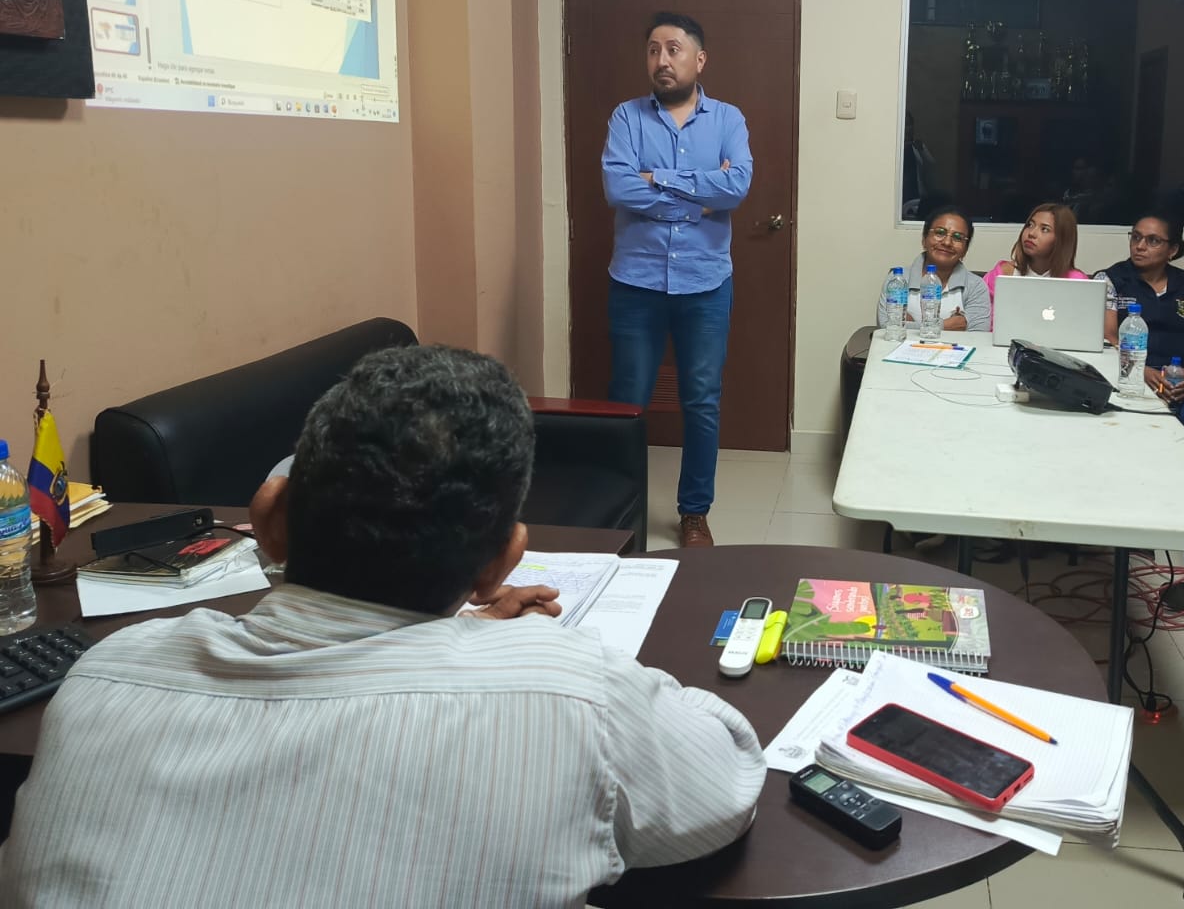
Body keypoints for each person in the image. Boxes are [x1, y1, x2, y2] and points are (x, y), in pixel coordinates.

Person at [0, 345, 766, 906]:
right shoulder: (571, 697)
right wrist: (521, 650)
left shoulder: (102, 681)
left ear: (270, 522)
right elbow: (726, 782)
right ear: (502, 563)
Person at [602, 11, 752, 548]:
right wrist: (697, 200)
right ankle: (621, 511)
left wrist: (659, 180)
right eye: (652, 50)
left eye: (673, 49)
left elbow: (736, 187)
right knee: (627, 403)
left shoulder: (728, 119)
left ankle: (694, 513)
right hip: (636, 284)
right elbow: (619, 189)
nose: (661, 60)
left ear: (699, 59)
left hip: (706, 284)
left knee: (702, 401)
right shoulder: (627, 117)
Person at [1092, 212, 1184, 427]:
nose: (1140, 246)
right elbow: (1109, 336)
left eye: (1153, 241)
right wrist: (1141, 371)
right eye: (1136, 237)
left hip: (1177, 378)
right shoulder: (1111, 280)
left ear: (1172, 250)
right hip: (1126, 376)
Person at [878, 203, 991, 334]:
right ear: (924, 239)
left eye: (957, 237)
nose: (947, 242)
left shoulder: (976, 286)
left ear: (965, 250)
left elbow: (979, 335)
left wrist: (910, 325)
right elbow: (886, 327)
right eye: (940, 233)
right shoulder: (898, 279)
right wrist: (945, 326)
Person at [982, 202, 1087, 301]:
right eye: (1030, 225)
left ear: (1062, 240)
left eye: (1044, 229)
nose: (1031, 233)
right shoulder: (1003, 273)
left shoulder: (1078, 282)